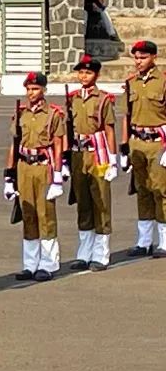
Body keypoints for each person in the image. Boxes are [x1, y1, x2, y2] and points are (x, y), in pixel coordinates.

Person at [4, 72, 64, 281]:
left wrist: (58, 175)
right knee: (27, 213)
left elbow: (58, 145)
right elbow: (14, 144)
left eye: (35, 89)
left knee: (45, 214)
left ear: (44, 90)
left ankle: (48, 264)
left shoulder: (53, 114)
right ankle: (30, 264)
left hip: (43, 166)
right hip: (24, 167)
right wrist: (8, 176)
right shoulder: (20, 113)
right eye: (29, 89)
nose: (31, 93)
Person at [67, 55, 117, 271]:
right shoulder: (73, 98)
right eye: (80, 72)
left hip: (98, 154)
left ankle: (101, 254)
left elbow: (109, 129)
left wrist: (113, 160)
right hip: (79, 154)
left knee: (101, 201)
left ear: (96, 75)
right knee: (83, 202)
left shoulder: (104, 99)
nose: (83, 76)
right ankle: (84, 253)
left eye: (88, 72)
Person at [120, 40, 166, 257]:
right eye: (136, 57)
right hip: (137, 142)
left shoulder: (164, 82)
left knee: (161, 190)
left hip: (159, 142)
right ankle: (144, 241)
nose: (138, 61)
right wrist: (123, 147)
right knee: (142, 189)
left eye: (143, 57)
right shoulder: (131, 83)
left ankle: (164, 240)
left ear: (153, 57)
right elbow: (126, 117)